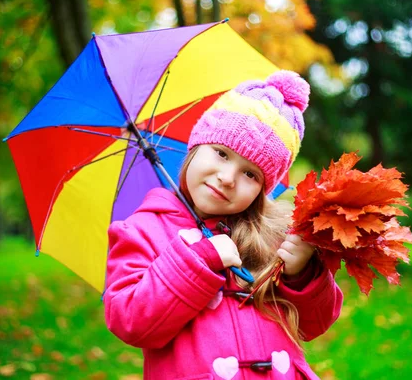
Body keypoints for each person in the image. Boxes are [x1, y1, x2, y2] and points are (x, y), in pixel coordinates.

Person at [104, 70, 343, 380]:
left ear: (263, 189)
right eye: (221, 153)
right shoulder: (143, 230)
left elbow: (314, 324)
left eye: (250, 174)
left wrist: (301, 275)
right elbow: (130, 320)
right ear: (195, 148)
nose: (228, 178)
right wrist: (199, 259)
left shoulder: (272, 234)